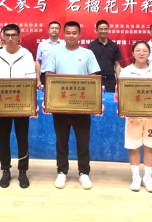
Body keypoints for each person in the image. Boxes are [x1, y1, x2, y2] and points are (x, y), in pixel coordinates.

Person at [47, 21, 101, 190]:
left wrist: (96, 102)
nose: (71, 35)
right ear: (64, 34)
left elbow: (93, 79)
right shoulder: (55, 53)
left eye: (74, 33)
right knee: (61, 141)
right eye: (68, 33)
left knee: (83, 142)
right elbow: (50, 76)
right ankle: (62, 171)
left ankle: (84, 173)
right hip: (60, 105)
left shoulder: (88, 53)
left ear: (80, 35)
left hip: (82, 106)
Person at [0, 24, 36, 189]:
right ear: (2, 37)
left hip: (21, 104)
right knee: (4, 138)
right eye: (7, 35)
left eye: (13, 35)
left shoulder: (26, 54)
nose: (10, 38)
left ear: (19, 37)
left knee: (22, 138)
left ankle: (23, 171)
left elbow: (31, 80)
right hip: (1, 105)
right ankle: (5, 170)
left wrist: (31, 103)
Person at [119, 41, 152, 193]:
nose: (141, 53)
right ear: (132, 53)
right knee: (134, 147)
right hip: (133, 117)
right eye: (138, 50)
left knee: (150, 147)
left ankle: (148, 178)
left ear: (149, 53)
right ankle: (136, 177)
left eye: (145, 50)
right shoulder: (126, 71)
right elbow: (121, 93)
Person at [88, 19, 121, 93]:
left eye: (105, 29)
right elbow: (89, 64)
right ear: (96, 30)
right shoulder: (92, 46)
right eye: (101, 29)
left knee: (110, 98)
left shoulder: (114, 46)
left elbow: (117, 64)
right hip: (96, 79)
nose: (103, 31)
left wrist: (118, 80)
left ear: (108, 30)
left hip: (110, 80)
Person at [35, 21, 65, 87]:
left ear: (60, 31)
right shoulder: (42, 44)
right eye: (52, 28)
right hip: (44, 75)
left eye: (56, 28)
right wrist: (38, 80)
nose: (54, 30)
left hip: (59, 75)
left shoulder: (64, 45)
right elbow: (38, 62)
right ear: (48, 30)